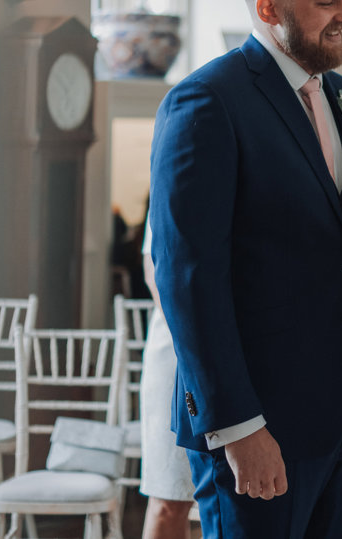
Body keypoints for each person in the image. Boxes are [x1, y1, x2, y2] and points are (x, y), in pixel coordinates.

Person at [148, 0, 342, 539]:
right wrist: (238, 426)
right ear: (270, 9)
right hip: (259, 425)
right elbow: (190, 280)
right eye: (328, 0)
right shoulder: (206, 103)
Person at [138, 219, 194, 539]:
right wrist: (198, 347)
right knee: (169, 496)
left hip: (248, 356)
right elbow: (155, 270)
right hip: (176, 354)